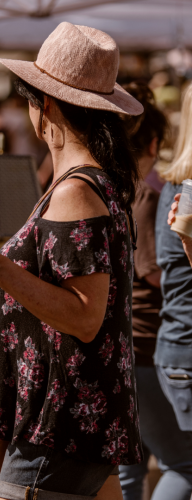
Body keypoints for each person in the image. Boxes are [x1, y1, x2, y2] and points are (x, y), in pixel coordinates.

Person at [0, 22, 143, 500]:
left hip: (56, 429)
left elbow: (84, 317)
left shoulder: (76, 192)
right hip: (71, 427)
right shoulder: (90, 184)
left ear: (44, 104)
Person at [117, 83, 192, 500]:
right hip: (147, 346)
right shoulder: (145, 196)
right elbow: (157, 273)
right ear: (152, 142)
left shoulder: (129, 194)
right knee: (182, 467)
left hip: (136, 347)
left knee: (131, 467)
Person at [155, 83, 192, 436]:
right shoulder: (187, 191)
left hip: (174, 344)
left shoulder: (173, 185)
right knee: (182, 470)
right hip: (185, 349)